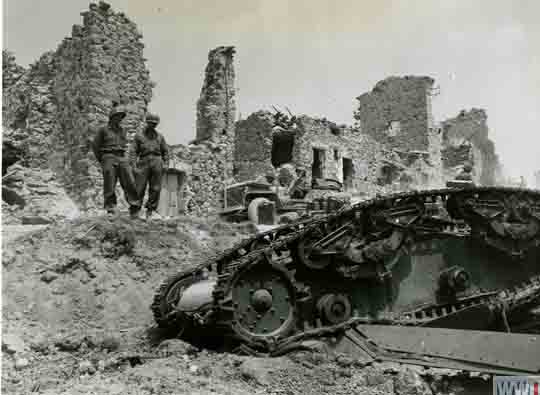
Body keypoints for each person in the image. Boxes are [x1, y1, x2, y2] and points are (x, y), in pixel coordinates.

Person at [92, 103, 141, 217]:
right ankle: (111, 209)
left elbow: (125, 145)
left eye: (121, 116)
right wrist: (103, 159)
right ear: (112, 117)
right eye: (117, 116)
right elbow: (95, 146)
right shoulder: (103, 130)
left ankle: (134, 208)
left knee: (129, 181)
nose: (119, 118)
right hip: (108, 156)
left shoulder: (123, 130)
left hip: (121, 156)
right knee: (109, 183)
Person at [129, 113, 169, 220]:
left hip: (157, 161)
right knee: (139, 187)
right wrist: (133, 165)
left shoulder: (160, 137)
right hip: (143, 161)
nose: (153, 126)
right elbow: (133, 151)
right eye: (151, 123)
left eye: (155, 124)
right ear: (147, 123)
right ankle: (135, 210)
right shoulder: (139, 136)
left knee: (156, 188)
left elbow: (165, 151)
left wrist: (166, 164)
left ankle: (150, 211)